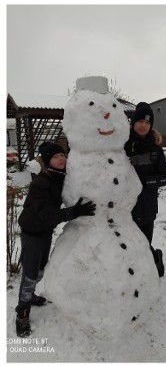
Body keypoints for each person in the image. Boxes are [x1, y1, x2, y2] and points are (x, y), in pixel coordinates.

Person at [16, 142, 96, 337]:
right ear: (47, 161)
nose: (61, 159)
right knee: (31, 272)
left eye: (62, 155)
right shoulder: (40, 183)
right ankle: (22, 313)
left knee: (41, 268)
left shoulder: (59, 176)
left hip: (44, 230)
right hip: (32, 231)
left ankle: (31, 295)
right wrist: (74, 212)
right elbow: (47, 214)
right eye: (56, 157)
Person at [124, 102, 166, 278]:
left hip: (147, 205)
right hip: (126, 205)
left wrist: (142, 182)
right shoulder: (124, 145)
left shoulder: (156, 148)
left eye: (147, 122)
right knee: (127, 244)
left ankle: (155, 259)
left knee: (144, 243)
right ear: (133, 122)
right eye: (140, 121)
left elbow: (165, 177)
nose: (143, 125)